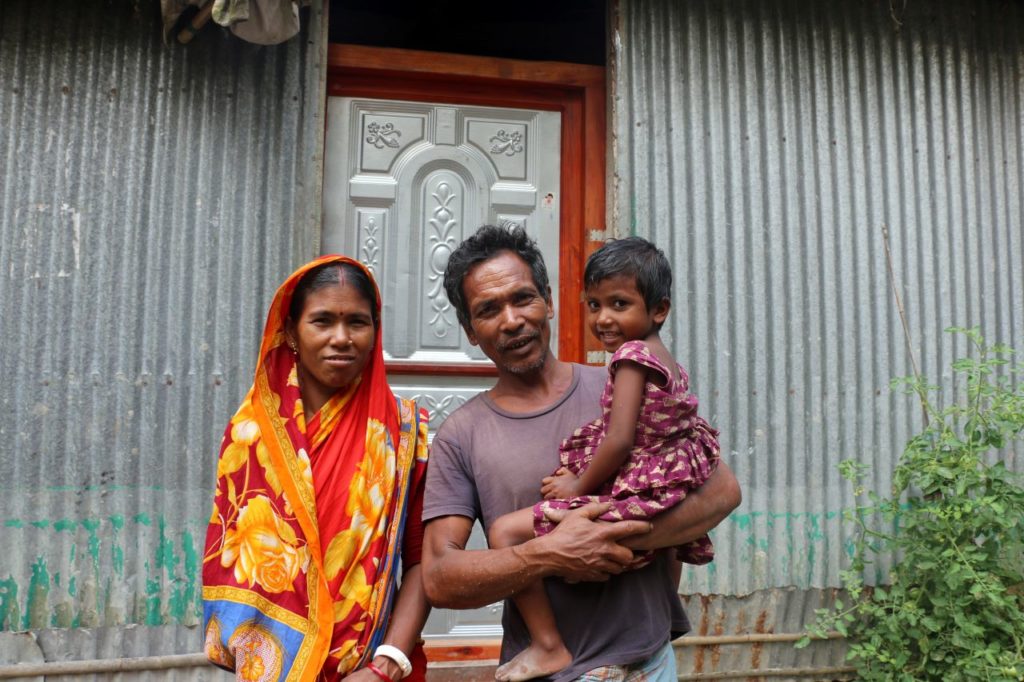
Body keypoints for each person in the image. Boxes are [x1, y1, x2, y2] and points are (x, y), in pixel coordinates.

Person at [422, 225, 741, 682]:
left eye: (523, 298)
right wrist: (548, 554)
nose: (512, 320)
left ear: (549, 302)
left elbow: (722, 491)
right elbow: (439, 577)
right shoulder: (461, 435)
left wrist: (605, 541)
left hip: (650, 664)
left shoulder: (621, 387)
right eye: (488, 310)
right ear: (471, 331)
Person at [202, 255, 431, 682]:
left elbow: (422, 560)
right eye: (322, 321)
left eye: (357, 322)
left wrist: (386, 665)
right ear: (291, 331)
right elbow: (233, 563)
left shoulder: (403, 432)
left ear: (375, 330)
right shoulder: (251, 433)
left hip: (371, 668)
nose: (341, 338)